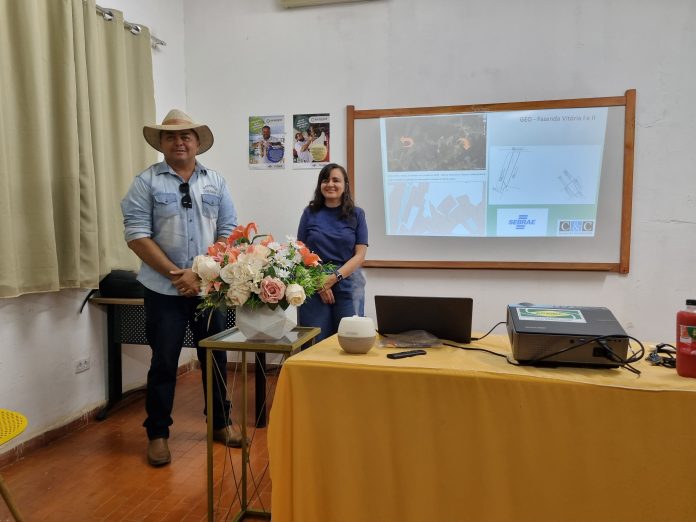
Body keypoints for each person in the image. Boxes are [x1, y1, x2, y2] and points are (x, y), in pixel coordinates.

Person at [121, 109, 242, 467]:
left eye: (186, 136)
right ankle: (157, 434)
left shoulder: (216, 182)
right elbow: (136, 235)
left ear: (197, 142)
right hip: (163, 290)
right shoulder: (145, 183)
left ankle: (220, 423)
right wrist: (179, 274)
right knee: (164, 361)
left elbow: (229, 231)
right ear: (161, 143)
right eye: (171, 136)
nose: (179, 142)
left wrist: (202, 274)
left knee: (215, 358)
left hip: (209, 290)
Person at [297, 163, 368, 342]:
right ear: (320, 184)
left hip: (348, 283)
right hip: (314, 284)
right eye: (325, 180)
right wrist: (319, 282)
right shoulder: (309, 213)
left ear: (345, 185)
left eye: (336, 180)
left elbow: (360, 255)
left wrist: (333, 278)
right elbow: (301, 251)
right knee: (313, 342)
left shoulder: (357, 214)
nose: (330, 184)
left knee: (350, 341)